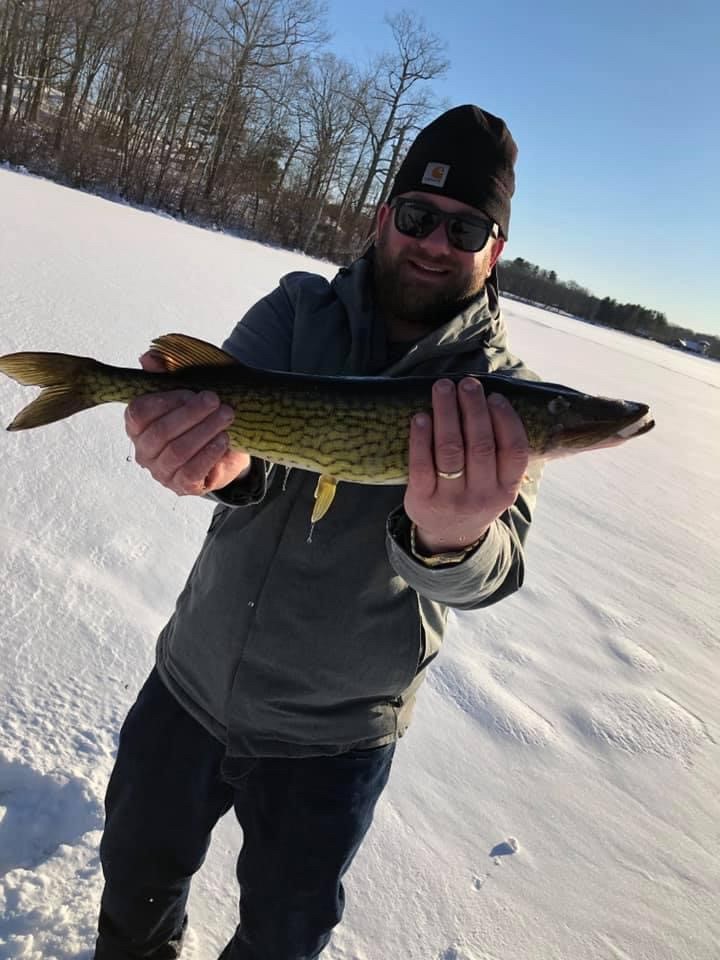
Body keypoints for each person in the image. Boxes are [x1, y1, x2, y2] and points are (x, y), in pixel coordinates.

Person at [94, 104, 541, 960]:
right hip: (192, 678)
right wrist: (214, 467)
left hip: (337, 734)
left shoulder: (500, 393)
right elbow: (229, 436)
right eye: (417, 215)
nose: (435, 240)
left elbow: (495, 568)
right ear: (383, 219)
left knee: (282, 938)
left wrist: (450, 539)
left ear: (495, 250)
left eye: (467, 227)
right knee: (135, 877)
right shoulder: (297, 310)